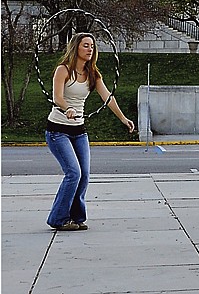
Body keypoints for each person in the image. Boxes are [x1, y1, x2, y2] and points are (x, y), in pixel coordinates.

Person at [46, 32, 134, 231]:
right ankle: (58, 218)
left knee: (84, 174)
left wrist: (123, 119)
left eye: (92, 46)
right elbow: (57, 97)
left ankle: (76, 217)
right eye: (86, 45)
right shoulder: (63, 70)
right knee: (73, 173)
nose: (90, 49)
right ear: (76, 47)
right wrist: (67, 107)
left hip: (79, 131)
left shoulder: (93, 73)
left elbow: (108, 98)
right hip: (57, 131)